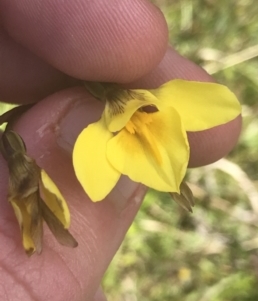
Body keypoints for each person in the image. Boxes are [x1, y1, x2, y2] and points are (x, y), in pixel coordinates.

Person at [0, 0, 242, 300]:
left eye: (142, 110)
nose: (136, 118)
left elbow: (222, 106)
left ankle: (172, 181)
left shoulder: (124, 113)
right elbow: (93, 185)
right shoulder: (92, 138)